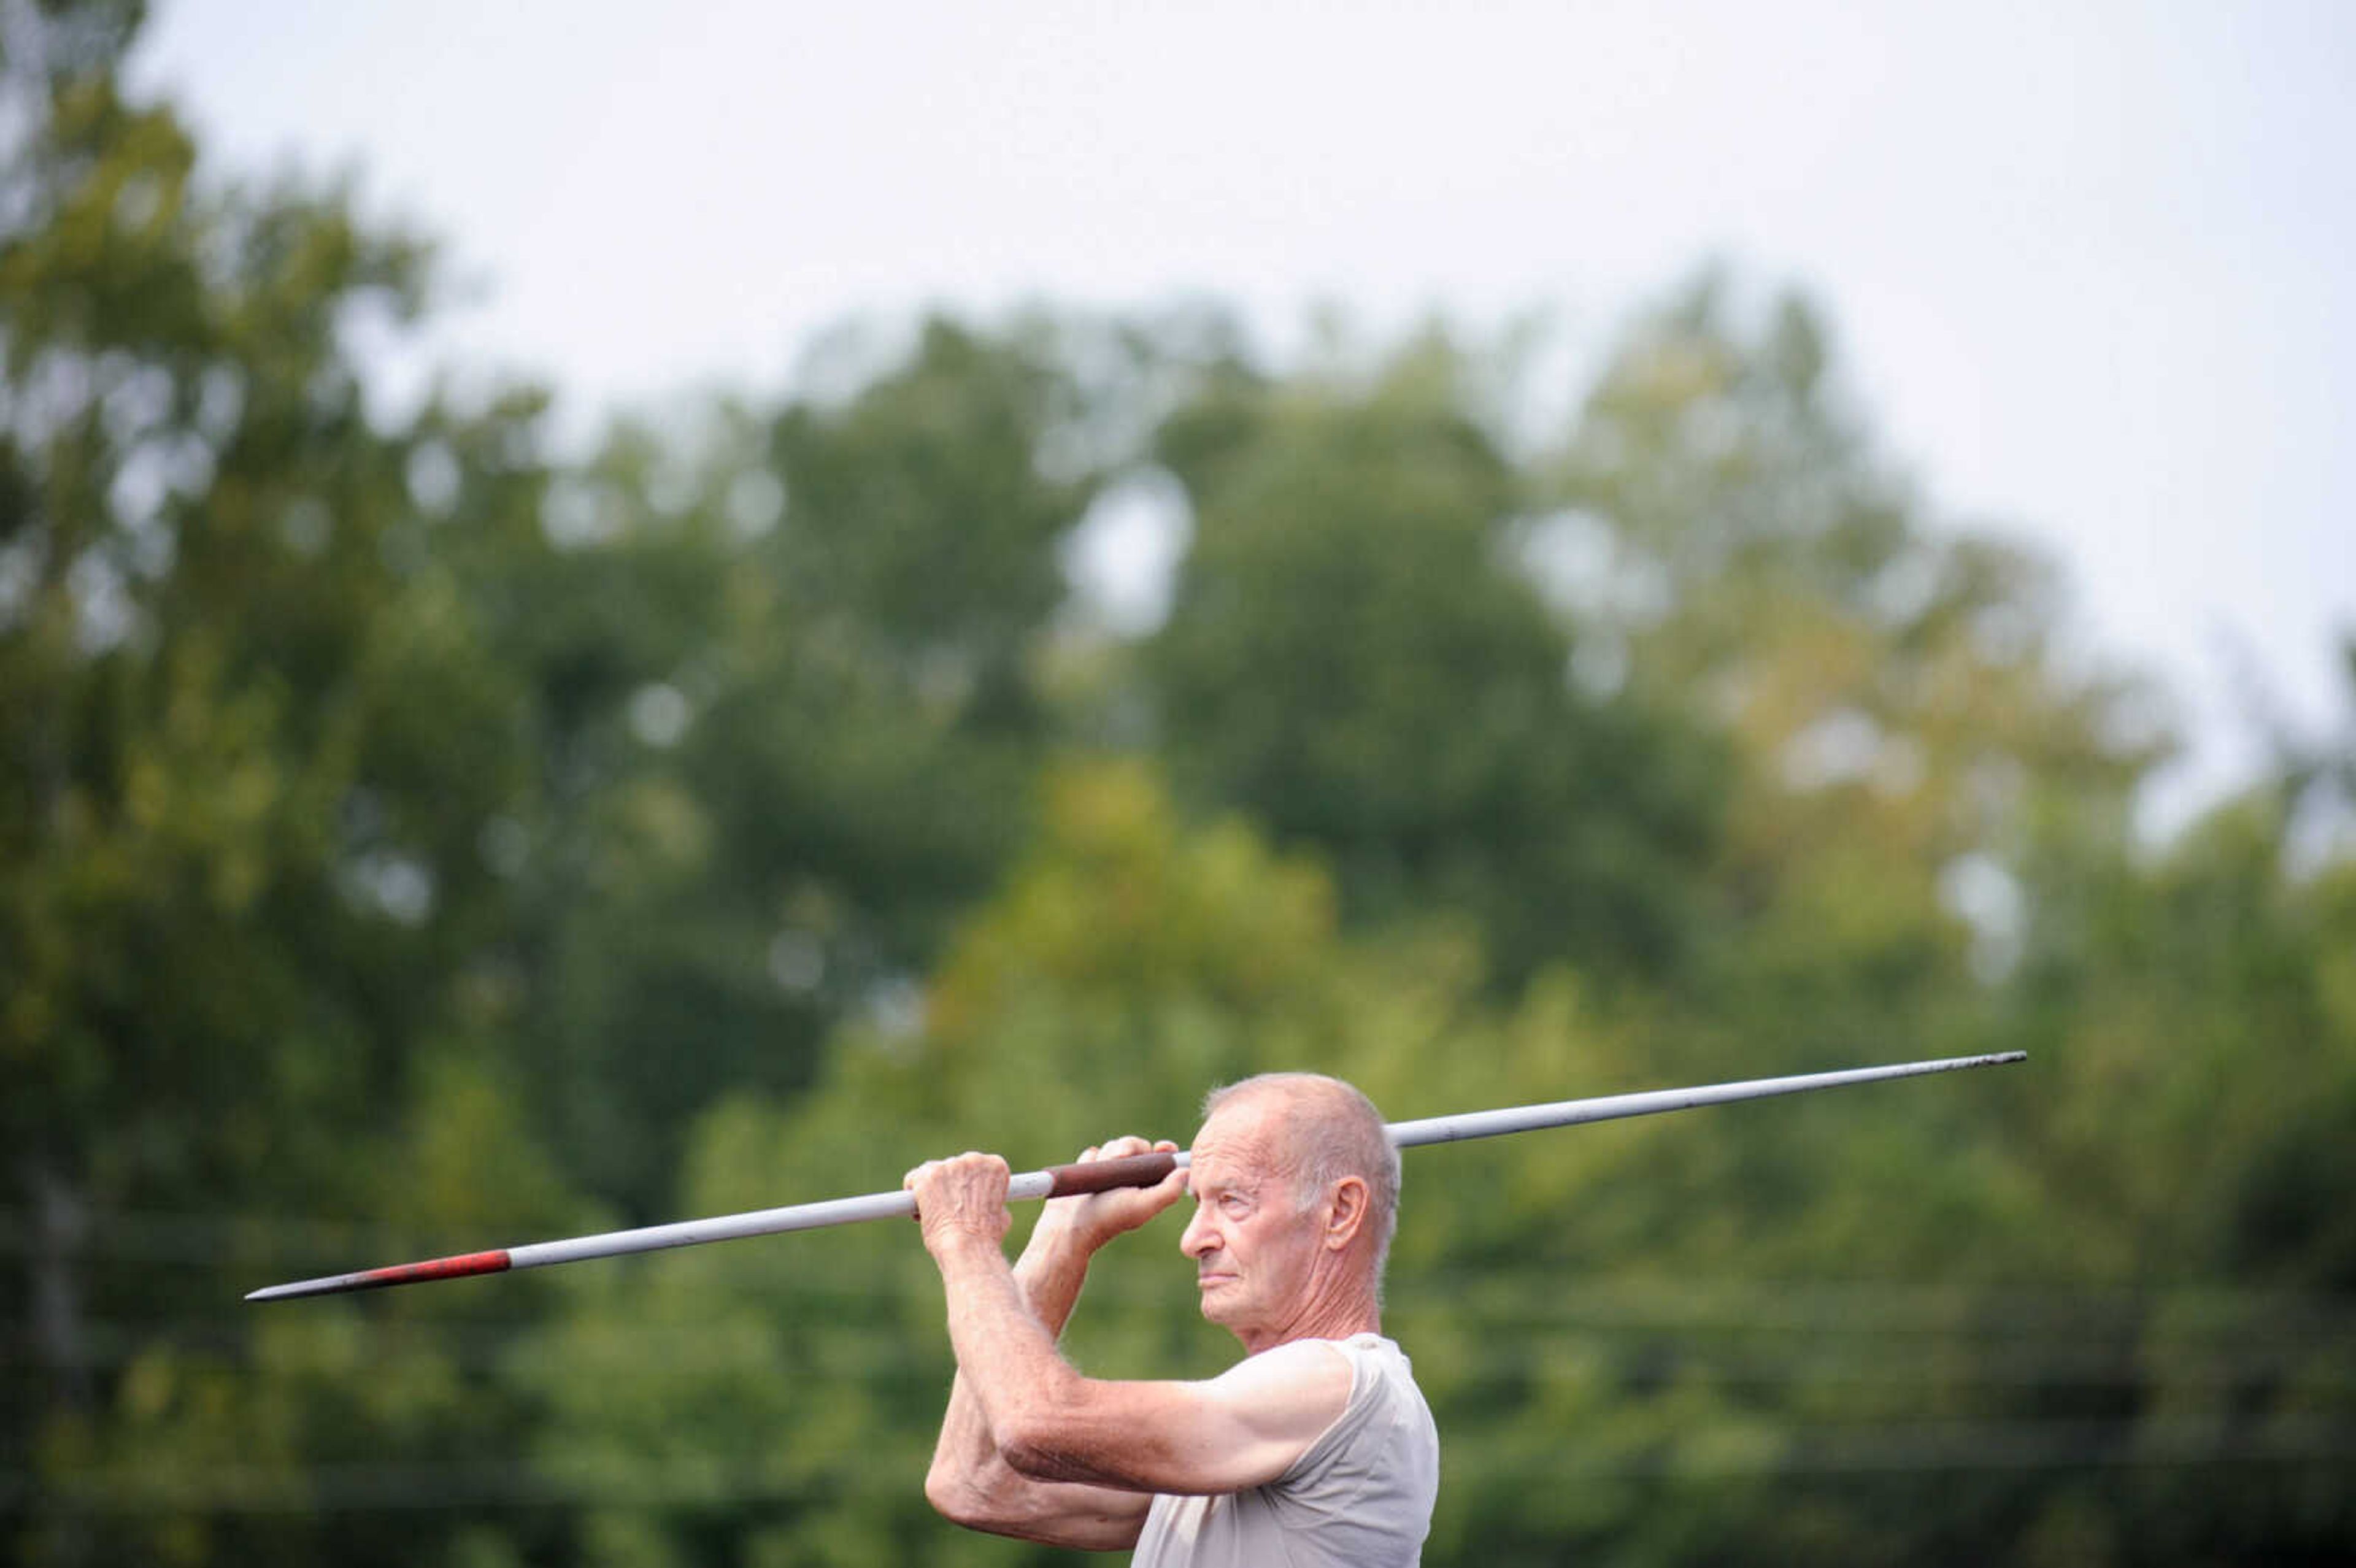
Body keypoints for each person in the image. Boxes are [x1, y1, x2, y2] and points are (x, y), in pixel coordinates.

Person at [905, 1072, 1439, 1565]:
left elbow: (1032, 1422)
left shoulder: (1343, 1384)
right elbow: (972, 1483)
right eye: (1197, 1204)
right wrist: (1062, 1239)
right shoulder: (1245, 1448)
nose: (1193, 1239)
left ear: (1341, 1212)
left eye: (1232, 1201)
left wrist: (964, 1238)